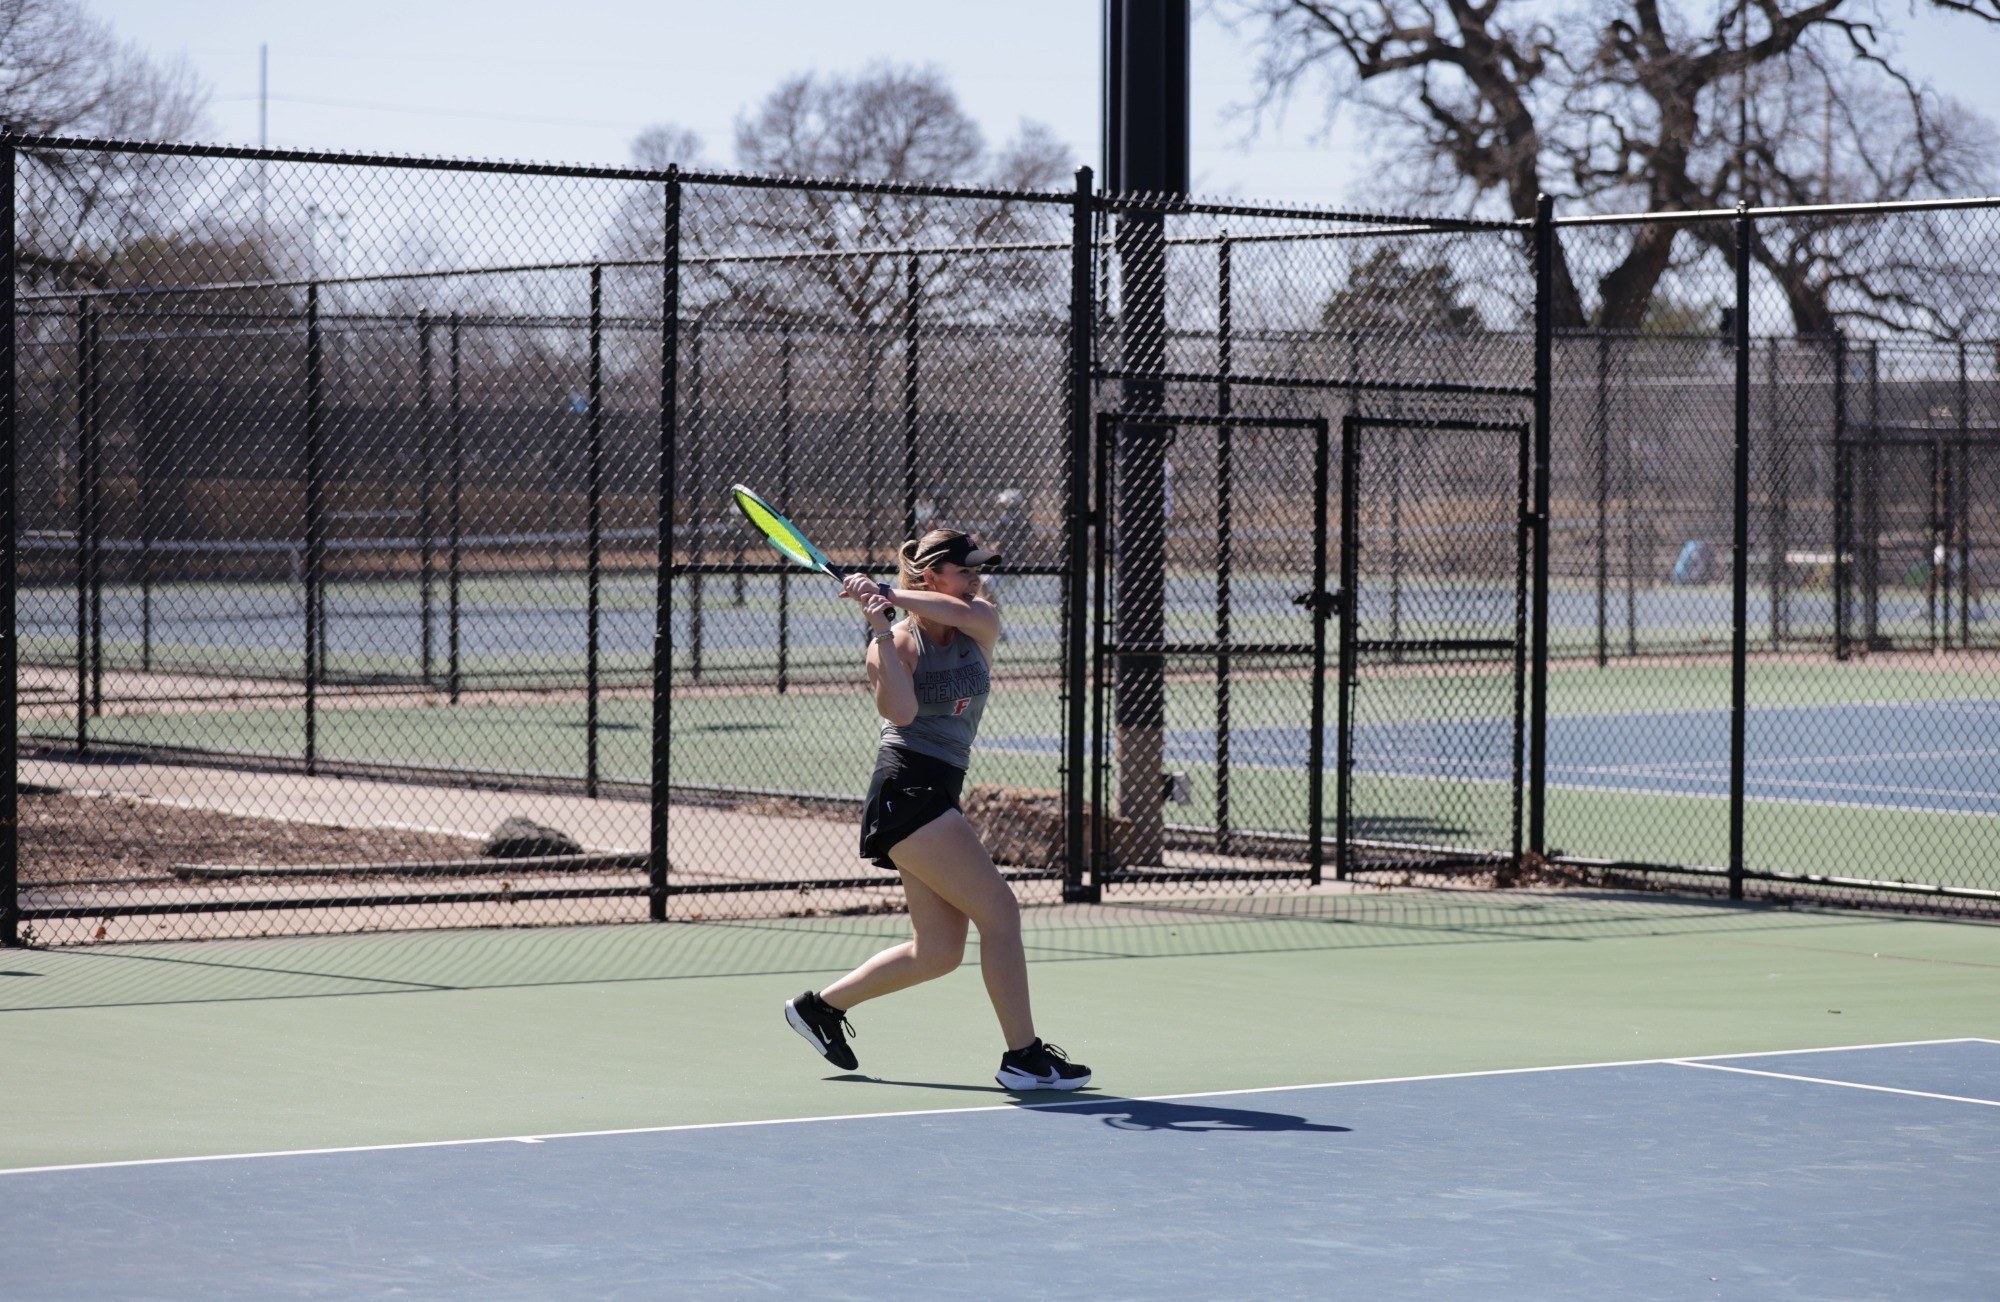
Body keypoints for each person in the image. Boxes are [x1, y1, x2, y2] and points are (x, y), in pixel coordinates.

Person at [782, 527, 1092, 1092]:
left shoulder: (980, 621)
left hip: (940, 790)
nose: (977, 578)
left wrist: (890, 594)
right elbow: (900, 713)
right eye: (966, 570)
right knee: (1000, 910)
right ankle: (1023, 1057)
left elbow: (952, 607)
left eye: (978, 570)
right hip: (907, 789)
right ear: (933, 574)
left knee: (939, 952)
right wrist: (880, 627)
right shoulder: (896, 644)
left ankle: (818, 1009)